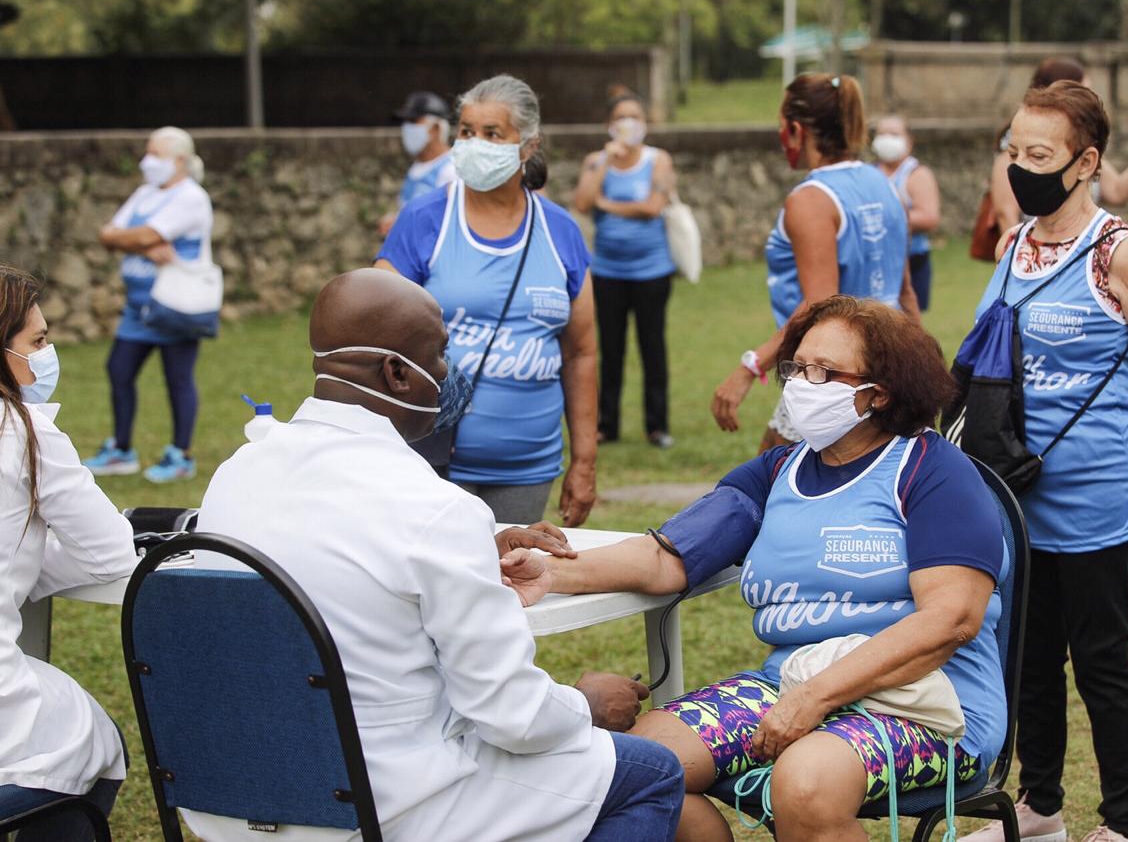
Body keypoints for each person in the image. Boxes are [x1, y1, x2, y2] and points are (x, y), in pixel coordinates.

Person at [188, 267, 683, 842]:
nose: (448, 374)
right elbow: (512, 717)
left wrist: (471, 560)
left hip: (233, 797)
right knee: (651, 773)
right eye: (442, 355)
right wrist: (585, 705)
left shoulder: (235, 473)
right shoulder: (434, 507)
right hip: (383, 804)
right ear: (398, 373)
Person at [516, 295, 1007, 842]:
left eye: (824, 372)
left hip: (931, 705)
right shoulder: (777, 472)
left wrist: (816, 697)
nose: (801, 382)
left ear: (880, 392)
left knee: (805, 783)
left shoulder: (934, 472)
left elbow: (951, 620)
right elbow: (664, 556)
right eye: (797, 367)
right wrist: (552, 572)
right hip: (788, 683)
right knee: (631, 770)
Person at [960, 82, 1128, 842]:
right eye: (1014, 151)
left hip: (1098, 501)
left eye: (1040, 155)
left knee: (1102, 666)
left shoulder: (1120, 252)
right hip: (1016, 498)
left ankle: (1125, 823)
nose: (1021, 166)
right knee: (1028, 661)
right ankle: (1040, 807)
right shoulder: (1014, 242)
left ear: (1086, 161)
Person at [377, 74, 598, 527]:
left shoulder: (560, 232)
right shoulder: (424, 220)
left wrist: (585, 462)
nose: (475, 143)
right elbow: (376, 335)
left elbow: (581, 352)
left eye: (492, 133)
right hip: (432, 463)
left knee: (508, 585)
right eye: (466, 131)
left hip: (527, 468)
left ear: (528, 146)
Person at [0, 264, 137, 840]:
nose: (49, 352)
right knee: (95, 740)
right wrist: (25, 566)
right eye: (39, 341)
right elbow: (111, 556)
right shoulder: (24, 432)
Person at [711, 72, 918, 453]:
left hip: (833, 374)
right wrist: (918, 371)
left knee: (771, 490)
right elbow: (904, 290)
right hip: (887, 367)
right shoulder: (884, 183)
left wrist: (748, 368)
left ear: (794, 129)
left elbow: (818, 306)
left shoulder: (811, 199)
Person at [86, 126, 213, 484]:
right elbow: (107, 235)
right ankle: (121, 450)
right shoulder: (144, 194)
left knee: (178, 379)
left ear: (180, 161)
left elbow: (137, 234)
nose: (148, 162)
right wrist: (138, 244)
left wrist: (128, 239)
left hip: (175, 306)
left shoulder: (191, 197)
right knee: (119, 370)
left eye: (156, 154)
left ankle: (180, 454)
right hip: (137, 307)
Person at [573, 88, 678, 449]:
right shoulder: (595, 161)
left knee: (653, 348)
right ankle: (607, 424)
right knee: (609, 350)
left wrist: (609, 203)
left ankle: (657, 425)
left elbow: (652, 207)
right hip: (607, 271)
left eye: (636, 117)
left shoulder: (657, 160)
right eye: (621, 118)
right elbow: (583, 202)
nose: (629, 124)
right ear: (609, 125)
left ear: (645, 124)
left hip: (652, 270)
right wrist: (605, 162)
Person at [988, 57, 1128, 235]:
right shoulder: (1013, 155)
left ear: (1086, 163)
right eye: (1082, 91)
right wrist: (1017, 259)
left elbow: (1118, 192)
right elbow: (1006, 214)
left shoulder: (1078, 152)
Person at [873, 115, 941, 311]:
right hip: (877, 260)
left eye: (894, 134)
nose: (887, 139)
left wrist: (882, 218)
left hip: (911, 260)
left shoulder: (916, 174)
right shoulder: (870, 172)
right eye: (882, 134)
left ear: (909, 141)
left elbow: (929, 217)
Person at [378, 91, 458, 237]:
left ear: (435, 129)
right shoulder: (417, 167)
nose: (407, 128)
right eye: (405, 122)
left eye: (414, 121)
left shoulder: (451, 169)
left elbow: (450, 221)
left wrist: (404, 222)